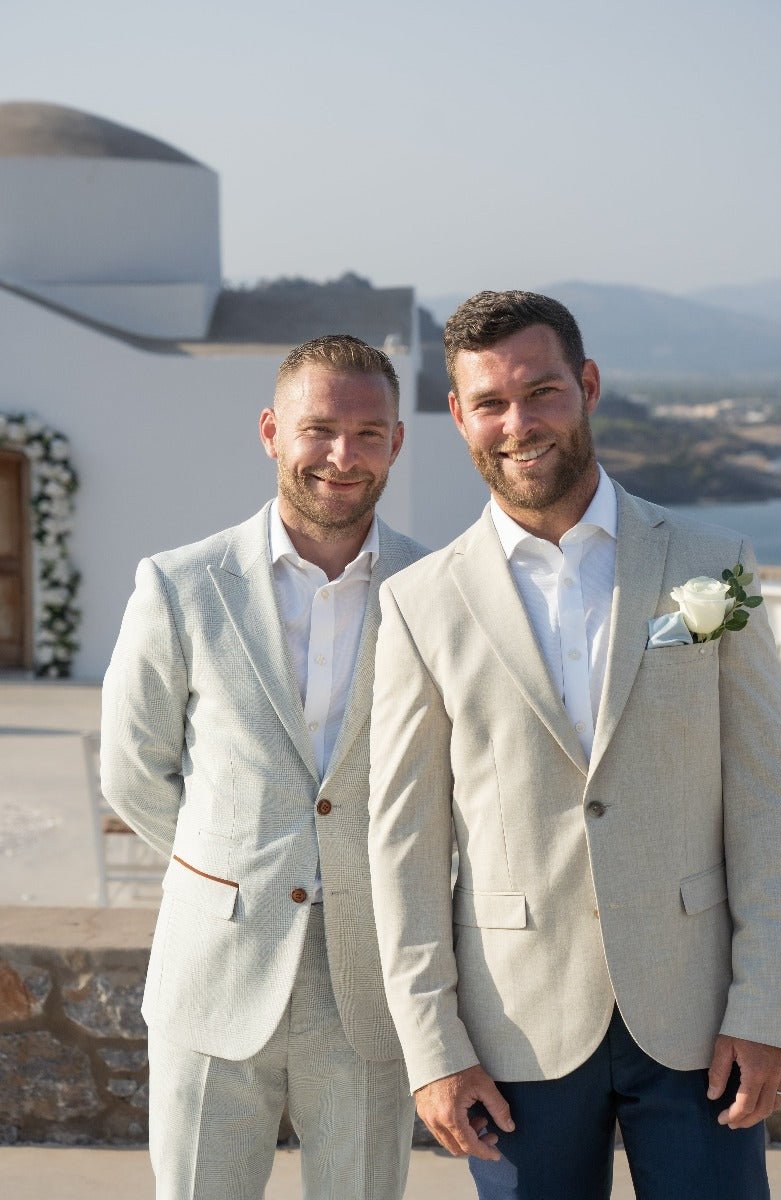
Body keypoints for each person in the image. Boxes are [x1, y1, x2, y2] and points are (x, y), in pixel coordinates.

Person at [367, 291, 781, 1200]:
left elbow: (770, 802)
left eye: (542, 392)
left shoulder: (713, 564)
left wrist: (770, 1006)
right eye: (490, 403)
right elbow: (404, 843)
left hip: (700, 1021)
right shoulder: (419, 603)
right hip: (513, 1032)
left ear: (588, 386)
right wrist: (433, 1048)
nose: (518, 424)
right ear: (458, 416)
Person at [101, 334, 425, 1200]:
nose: (342, 455)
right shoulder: (180, 585)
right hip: (214, 969)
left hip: (371, 984)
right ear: (272, 432)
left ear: (397, 442)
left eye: (368, 433)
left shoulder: (438, 589)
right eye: (319, 429)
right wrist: (232, 869)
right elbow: (133, 770)